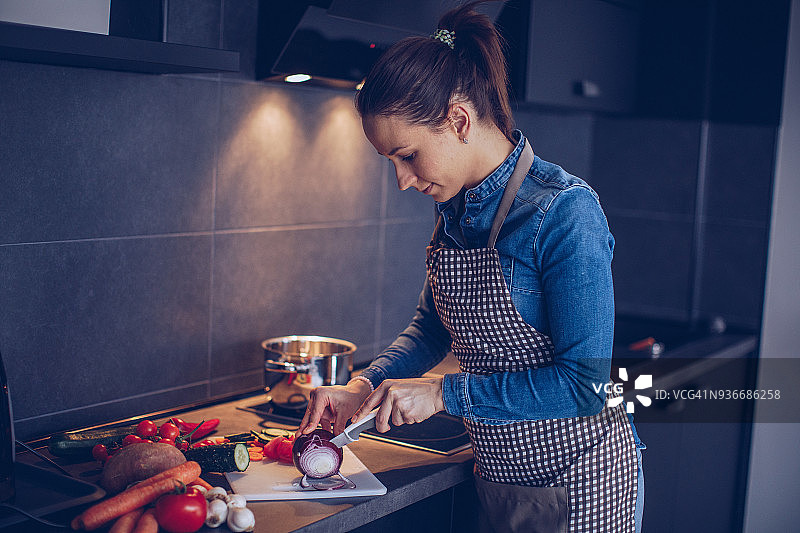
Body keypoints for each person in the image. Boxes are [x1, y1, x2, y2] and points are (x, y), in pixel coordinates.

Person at [297, 2, 644, 531]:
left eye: (408, 155)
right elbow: (432, 326)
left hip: (581, 485)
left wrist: (443, 393)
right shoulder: (455, 209)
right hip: (501, 478)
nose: (402, 181)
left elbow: (584, 384)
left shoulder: (563, 212)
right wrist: (364, 386)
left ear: (458, 120)